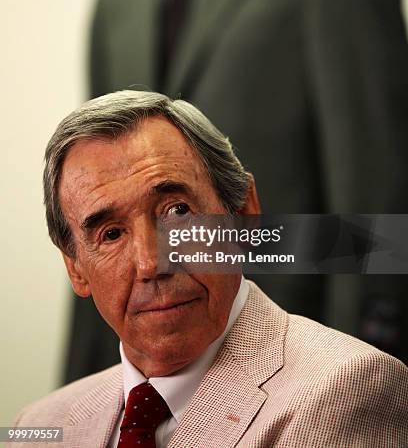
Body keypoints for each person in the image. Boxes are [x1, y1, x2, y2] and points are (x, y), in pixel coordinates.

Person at [67, 0, 408, 381]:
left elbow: (372, 191)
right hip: (145, 371)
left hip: (295, 347)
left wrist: (363, 368)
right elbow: (91, 202)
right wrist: (78, 391)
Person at [10, 90, 408, 447]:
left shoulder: (348, 387)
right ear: (75, 268)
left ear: (244, 213)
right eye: (111, 234)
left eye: (177, 211)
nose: (151, 263)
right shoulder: (38, 427)